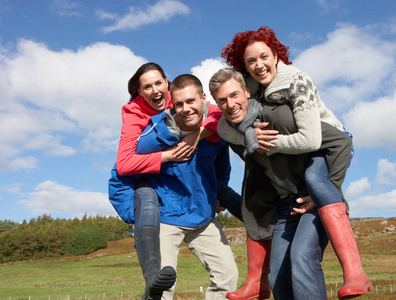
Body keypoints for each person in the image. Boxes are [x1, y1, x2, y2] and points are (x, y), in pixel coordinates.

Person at [218, 26, 372, 299]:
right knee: (278, 272)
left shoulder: (297, 80)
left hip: (326, 147)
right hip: (290, 190)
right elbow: (224, 124)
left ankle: (355, 271)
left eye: (264, 56)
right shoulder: (249, 88)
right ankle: (260, 283)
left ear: (277, 55)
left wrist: (267, 144)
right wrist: (249, 134)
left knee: (303, 249)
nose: (258, 65)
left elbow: (312, 139)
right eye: (250, 61)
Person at [108, 62, 229, 300]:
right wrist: (168, 155)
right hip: (162, 207)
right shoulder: (137, 118)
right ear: (139, 92)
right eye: (147, 87)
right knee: (162, 285)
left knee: (227, 276)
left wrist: (199, 133)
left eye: (158, 83)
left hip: (199, 210)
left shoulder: (186, 102)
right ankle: (151, 274)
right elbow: (123, 165)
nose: (154, 90)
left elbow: (219, 118)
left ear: (168, 84)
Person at [210, 68, 331, 299]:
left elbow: (337, 142)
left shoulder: (277, 114)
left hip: (313, 196)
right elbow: (222, 129)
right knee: (277, 276)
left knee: (301, 258)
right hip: (286, 204)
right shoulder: (234, 131)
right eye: (222, 100)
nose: (230, 103)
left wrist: (323, 192)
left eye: (234, 95)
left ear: (247, 92)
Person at [135, 74, 239, 300]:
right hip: (166, 216)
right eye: (179, 103)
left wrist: (218, 194)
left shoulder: (216, 130)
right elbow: (128, 162)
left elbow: (222, 164)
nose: (185, 109)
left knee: (228, 277)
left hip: (202, 214)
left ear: (203, 99)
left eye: (191, 101)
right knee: (161, 286)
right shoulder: (155, 136)